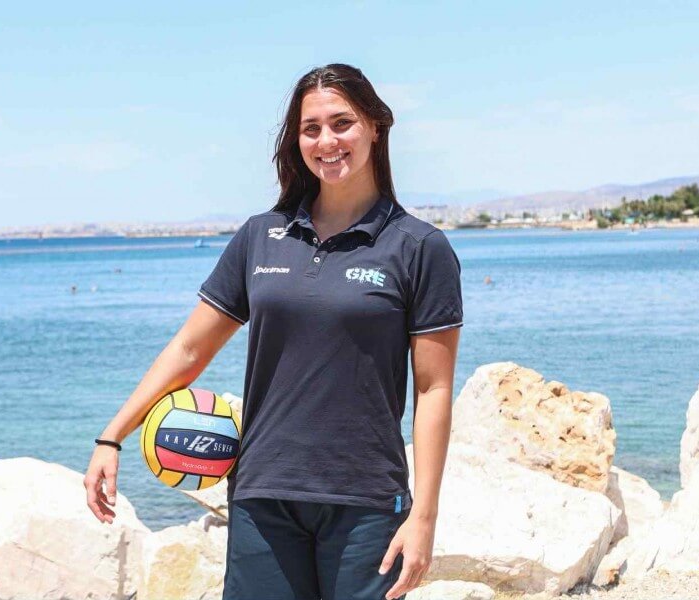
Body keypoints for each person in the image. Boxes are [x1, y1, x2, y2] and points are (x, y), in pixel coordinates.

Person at [84, 63, 463, 600]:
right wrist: (112, 435)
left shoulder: (419, 247)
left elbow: (433, 388)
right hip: (263, 495)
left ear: (376, 127)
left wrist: (424, 516)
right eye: (311, 129)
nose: (327, 141)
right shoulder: (261, 236)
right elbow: (190, 348)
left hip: (366, 502)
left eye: (342, 123)